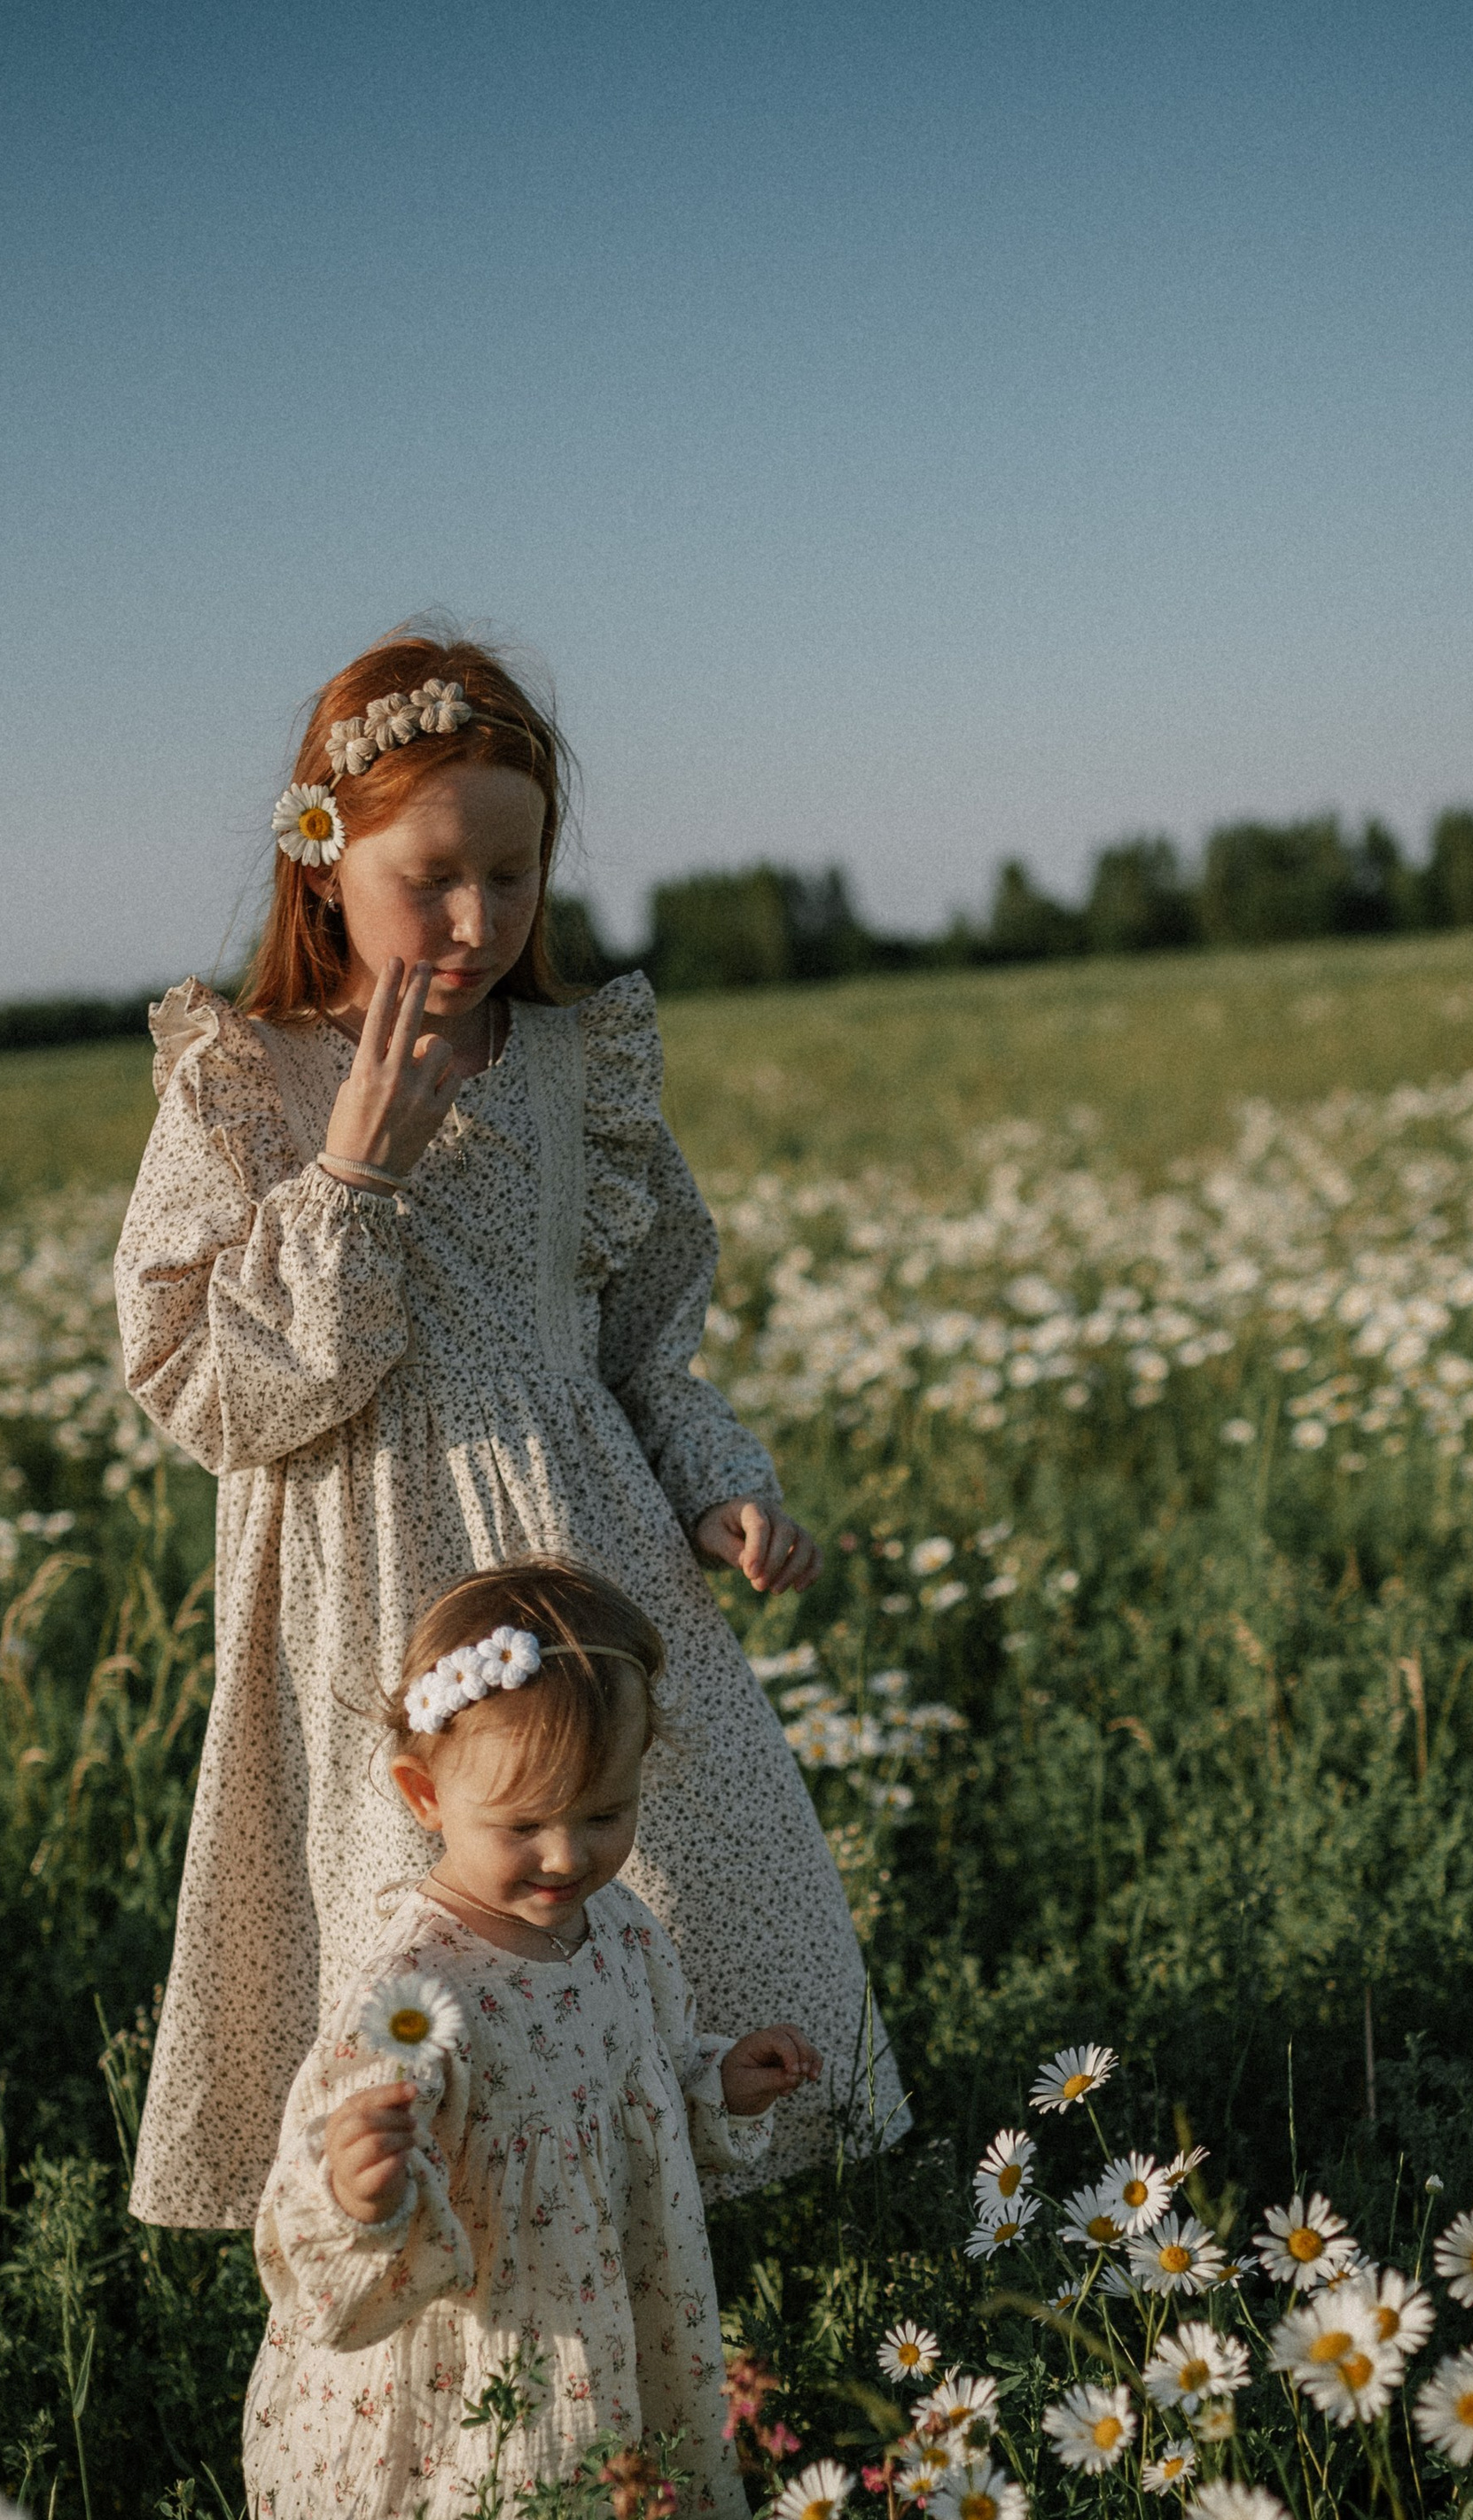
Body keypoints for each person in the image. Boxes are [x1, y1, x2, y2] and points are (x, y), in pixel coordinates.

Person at [114, 628, 907, 2228]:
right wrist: (349, 1179)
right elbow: (212, 1392)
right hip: (370, 1596)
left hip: (584, 1554)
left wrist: (715, 1488)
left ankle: (686, 2227)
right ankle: (439, 2282)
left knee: (643, 1884)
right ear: (323, 864)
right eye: (434, 876)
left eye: (516, 874)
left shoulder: (568, 1075)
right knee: (410, 1943)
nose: (477, 922)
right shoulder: (244, 1085)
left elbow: (641, 1349)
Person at [245, 1558, 818, 2520]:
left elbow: (638, 2070)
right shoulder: (415, 1987)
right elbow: (319, 2168)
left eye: (607, 1813)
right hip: (497, 2339)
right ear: (425, 1795)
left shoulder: (621, 1932)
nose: (567, 1853)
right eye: (523, 1825)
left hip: (614, 2303)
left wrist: (715, 2084)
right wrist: (361, 2192)